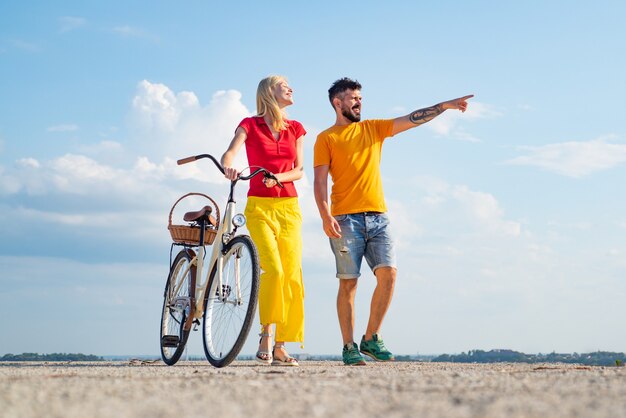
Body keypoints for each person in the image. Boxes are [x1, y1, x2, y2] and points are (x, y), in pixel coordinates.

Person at [313, 77, 473, 366]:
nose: (359, 101)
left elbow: (412, 119)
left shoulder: (374, 128)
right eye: (353, 97)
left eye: (360, 97)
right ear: (337, 103)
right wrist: (325, 215)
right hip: (345, 220)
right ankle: (349, 346)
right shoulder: (326, 138)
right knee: (348, 283)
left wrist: (444, 107)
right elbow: (319, 182)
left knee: (389, 275)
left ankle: (371, 338)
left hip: (379, 217)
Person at [221, 75, 306, 366]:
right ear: (269, 92)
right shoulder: (250, 124)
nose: (291, 88)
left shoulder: (296, 128)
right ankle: (266, 335)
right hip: (259, 207)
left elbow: (299, 170)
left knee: (292, 275)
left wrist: (278, 178)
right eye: (284, 85)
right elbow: (231, 151)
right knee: (274, 271)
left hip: (289, 207)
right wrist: (228, 166)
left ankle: (281, 345)